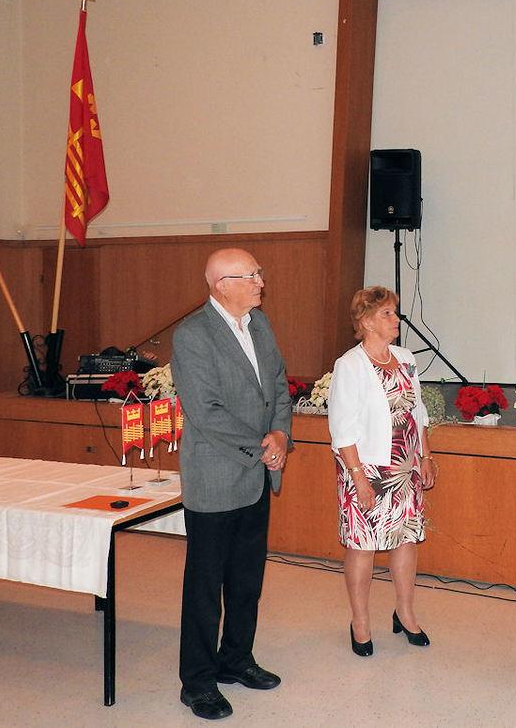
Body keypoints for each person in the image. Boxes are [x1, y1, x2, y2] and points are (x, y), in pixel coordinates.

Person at [171, 248, 292, 721]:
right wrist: (262, 446)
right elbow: (205, 411)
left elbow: (277, 385)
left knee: (246, 580)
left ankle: (236, 660)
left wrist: (280, 434)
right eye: (252, 275)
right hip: (216, 477)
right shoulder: (193, 335)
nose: (261, 281)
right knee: (205, 587)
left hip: (256, 475)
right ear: (222, 285)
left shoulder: (259, 324)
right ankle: (198, 682)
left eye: (259, 273)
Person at [327, 286, 436, 657]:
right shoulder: (350, 365)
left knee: (406, 540)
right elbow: (342, 428)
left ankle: (405, 612)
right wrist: (359, 479)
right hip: (365, 467)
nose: (395, 319)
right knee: (363, 546)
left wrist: (426, 456)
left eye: (394, 312)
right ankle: (359, 621)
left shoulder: (405, 358)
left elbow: (417, 412)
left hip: (405, 465)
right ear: (367, 322)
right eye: (387, 313)